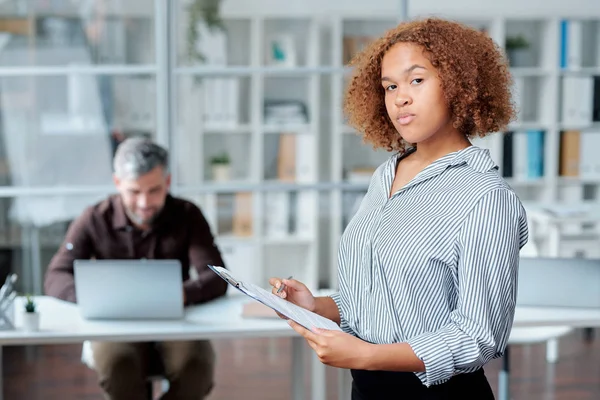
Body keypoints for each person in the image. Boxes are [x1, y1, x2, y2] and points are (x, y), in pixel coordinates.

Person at [270, 17, 528, 399]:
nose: (399, 97)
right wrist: (317, 305)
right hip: (367, 389)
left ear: (459, 86)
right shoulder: (385, 176)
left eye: (416, 80)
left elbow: (478, 336)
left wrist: (368, 355)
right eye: (389, 86)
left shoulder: (486, 197)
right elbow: (378, 298)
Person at [44, 137, 227, 400]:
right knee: (119, 370)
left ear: (167, 182)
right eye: (134, 191)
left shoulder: (188, 215)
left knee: (196, 369)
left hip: (176, 320)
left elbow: (217, 275)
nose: (144, 202)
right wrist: (96, 297)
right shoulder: (94, 218)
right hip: (116, 325)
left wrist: (182, 295)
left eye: (154, 190)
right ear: (118, 183)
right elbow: (55, 276)